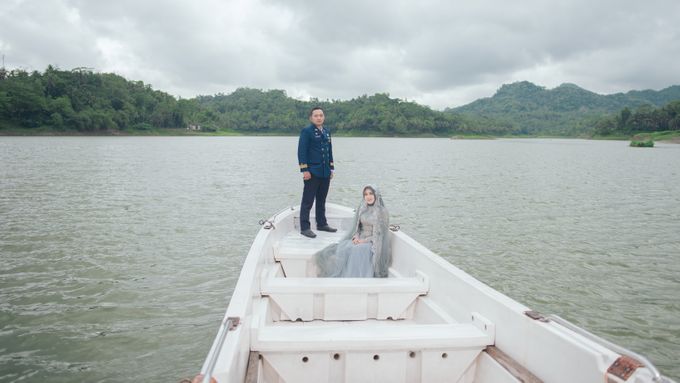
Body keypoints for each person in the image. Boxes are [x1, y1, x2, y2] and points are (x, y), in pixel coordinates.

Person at [315, 185, 391, 278]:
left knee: (357, 249)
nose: (368, 196)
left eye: (371, 193)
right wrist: (356, 237)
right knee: (344, 248)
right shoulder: (363, 207)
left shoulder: (381, 212)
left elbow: (378, 235)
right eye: (365, 194)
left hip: (373, 242)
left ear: (376, 195)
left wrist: (363, 241)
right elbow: (358, 227)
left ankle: (355, 277)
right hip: (361, 238)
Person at [297, 106, 337, 238]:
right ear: (311, 118)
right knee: (308, 201)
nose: (319, 117)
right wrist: (304, 169)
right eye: (316, 115)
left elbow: (329, 150)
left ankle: (321, 224)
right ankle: (305, 227)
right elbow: (301, 151)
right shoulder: (307, 131)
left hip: (325, 171)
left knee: (321, 199)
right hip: (312, 171)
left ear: (324, 117)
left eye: (321, 115)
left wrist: (331, 168)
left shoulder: (326, 131)